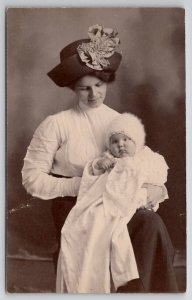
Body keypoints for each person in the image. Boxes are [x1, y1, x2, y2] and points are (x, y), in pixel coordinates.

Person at [21, 24, 178, 293]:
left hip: (116, 204)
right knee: (129, 232)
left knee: (150, 224)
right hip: (75, 208)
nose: (94, 94)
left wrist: (156, 188)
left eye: (99, 85)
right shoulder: (56, 124)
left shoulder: (119, 121)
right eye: (84, 89)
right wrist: (83, 185)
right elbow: (32, 179)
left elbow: (142, 162)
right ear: (72, 88)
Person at [57, 113, 170, 293]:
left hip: (134, 204)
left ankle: (154, 288)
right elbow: (93, 175)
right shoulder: (109, 160)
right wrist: (100, 165)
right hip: (108, 206)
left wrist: (150, 189)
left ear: (137, 142)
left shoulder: (146, 159)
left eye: (126, 139)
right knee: (87, 228)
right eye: (115, 141)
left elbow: (156, 179)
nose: (121, 144)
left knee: (151, 224)